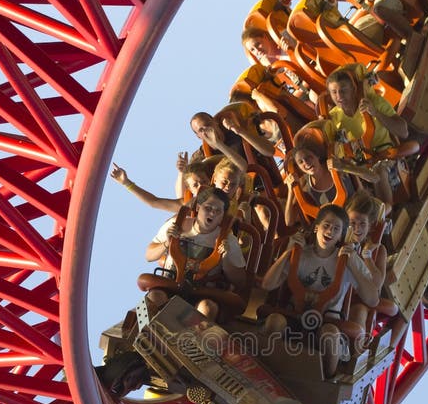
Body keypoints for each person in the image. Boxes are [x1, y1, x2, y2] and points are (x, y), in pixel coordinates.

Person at [260, 204, 378, 377]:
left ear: (340, 236)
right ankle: (263, 370)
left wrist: (352, 262)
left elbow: (372, 299)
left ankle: (327, 380)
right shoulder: (302, 254)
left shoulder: (347, 259)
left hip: (329, 321)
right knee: (274, 321)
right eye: (326, 225)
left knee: (330, 336)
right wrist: (288, 253)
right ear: (316, 227)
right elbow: (267, 284)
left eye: (336, 228)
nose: (330, 231)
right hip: (295, 316)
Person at [140, 187, 247, 322]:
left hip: (201, 293)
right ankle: (144, 335)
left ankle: (194, 340)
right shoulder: (176, 225)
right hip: (170, 285)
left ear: (222, 216)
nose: (212, 214)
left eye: (218, 211)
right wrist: (167, 244)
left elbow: (240, 281)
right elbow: (149, 255)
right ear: (198, 207)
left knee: (207, 308)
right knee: (154, 297)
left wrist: (225, 257)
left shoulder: (228, 240)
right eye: (208, 208)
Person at [326, 65, 414, 203]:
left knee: (378, 171)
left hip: (386, 159)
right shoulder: (333, 118)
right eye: (334, 92)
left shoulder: (374, 102)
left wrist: (376, 113)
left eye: (343, 91)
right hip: (358, 167)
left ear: (354, 90)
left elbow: (403, 132)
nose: (339, 96)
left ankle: (385, 217)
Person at [344, 189, 398, 326]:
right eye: (352, 223)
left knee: (360, 312)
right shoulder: (339, 241)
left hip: (359, 300)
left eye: (362, 224)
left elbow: (377, 284)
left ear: (370, 226)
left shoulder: (378, 251)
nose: (357, 229)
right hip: (338, 295)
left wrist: (367, 255)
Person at [110, 160, 210, 212]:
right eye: (195, 185)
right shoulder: (188, 205)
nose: (201, 186)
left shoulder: (223, 185)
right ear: (190, 189)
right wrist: (126, 183)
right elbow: (154, 202)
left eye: (204, 181)